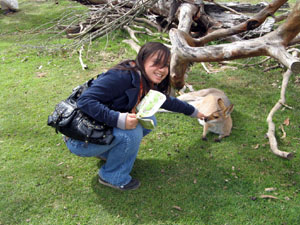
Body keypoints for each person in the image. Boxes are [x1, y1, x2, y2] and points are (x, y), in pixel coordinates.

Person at [64, 42, 205, 191]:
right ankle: (112, 177)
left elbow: (165, 100)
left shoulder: (144, 79)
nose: (162, 70)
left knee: (148, 120)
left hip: (96, 131)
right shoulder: (121, 77)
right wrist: (119, 119)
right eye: (156, 63)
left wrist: (194, 112)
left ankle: (109, 154)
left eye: (166, 65)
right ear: (142, 60)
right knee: (132, 132)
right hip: (79, 139)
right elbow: (85, 101)